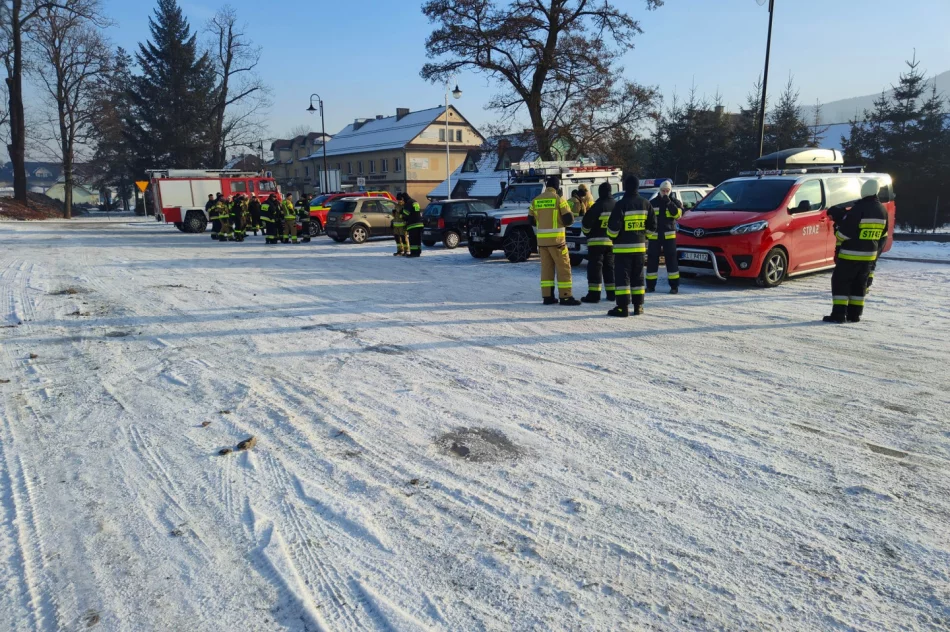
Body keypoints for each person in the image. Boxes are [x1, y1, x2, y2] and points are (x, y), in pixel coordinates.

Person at [823, 179, 888, 323]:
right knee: (859, 286)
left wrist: (839, 225)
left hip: (850, 255)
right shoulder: (882, 210)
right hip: (869, 257)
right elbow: (883, 235)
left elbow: (843, 235)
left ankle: (838, 315)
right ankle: (854, 315)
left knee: (841, 283)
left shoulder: (858, 209)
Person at [606, 176, 655, 317]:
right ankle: (638, 306)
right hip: (640, 249)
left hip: (622, 249)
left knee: (623, 279)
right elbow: (653, 226)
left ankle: (622, 308)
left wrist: (612, 237)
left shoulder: (621, 205)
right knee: (638, 278)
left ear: (626, 187)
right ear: (638, 187)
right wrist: (644, 236)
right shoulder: (646, 203)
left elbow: (613, 228)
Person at [529, 176, 580, 305]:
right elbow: (569, 219)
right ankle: (566, 296)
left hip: (542, 243)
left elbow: (530, 220)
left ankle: (547, 297)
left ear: (547, 186)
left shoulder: (536, 200)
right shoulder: (559, 199)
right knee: (563, 268)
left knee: (546, 269)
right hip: (557, 242)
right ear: (557, 187)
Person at [580, 182, 616, 303]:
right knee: (610, 268)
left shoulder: (597, 206)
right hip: (612, 244)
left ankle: (594, 295)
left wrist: (588, 234)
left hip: (596, 244)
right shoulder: (616, 205)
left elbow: (586, 225)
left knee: (595, 269)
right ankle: (612, 294)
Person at [646, 180, 683, 294]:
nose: (665, 193)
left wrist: (669, 203)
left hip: (669, 236)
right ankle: (650, 286)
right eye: (663, 191)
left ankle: (674, 286)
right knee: (652, 261)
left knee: (671, 261)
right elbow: (648, 220)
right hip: (655, 236)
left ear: (670, 190)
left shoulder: (675, 202)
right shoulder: (652, 203)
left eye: (667, 191)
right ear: (659, 190)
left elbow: (678, 215)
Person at [401, 193, 424, 257]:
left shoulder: (408, 203)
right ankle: (418, 252)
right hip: (419, 224)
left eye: (402, 199)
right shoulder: (415, 201)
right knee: (417, 239)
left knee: (413, 240)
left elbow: (405, 215)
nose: (402, 201)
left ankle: (413, 253)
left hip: (413, 224)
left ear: (404, 198)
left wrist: (401, 213)